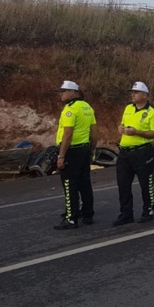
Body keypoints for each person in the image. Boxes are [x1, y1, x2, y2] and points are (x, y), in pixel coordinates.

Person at [113, 81, 154, 226]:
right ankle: (126, 214)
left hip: (142, 152)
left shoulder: (152, 113)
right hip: (125, 153)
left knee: (145, 184)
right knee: (123, 184)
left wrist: (137, 132)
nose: (133, 95)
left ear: (145, 95)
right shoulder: (128, 108)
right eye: (132, 92)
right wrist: (120, 128)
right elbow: (122, 123)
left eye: (136, 92)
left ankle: (148, 211)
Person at [54, 80, 98, 230]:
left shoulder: (70, 109)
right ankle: (88, 214)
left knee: (69, 184)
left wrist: (61, 156)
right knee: (84, 182)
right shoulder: (87, 107)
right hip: (84, 149)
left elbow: (67, 133)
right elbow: (94, 133)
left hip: (71, 151)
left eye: (64, 91)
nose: (61, 94)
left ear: (73, 93)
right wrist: (91, 150)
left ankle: (71, 218)